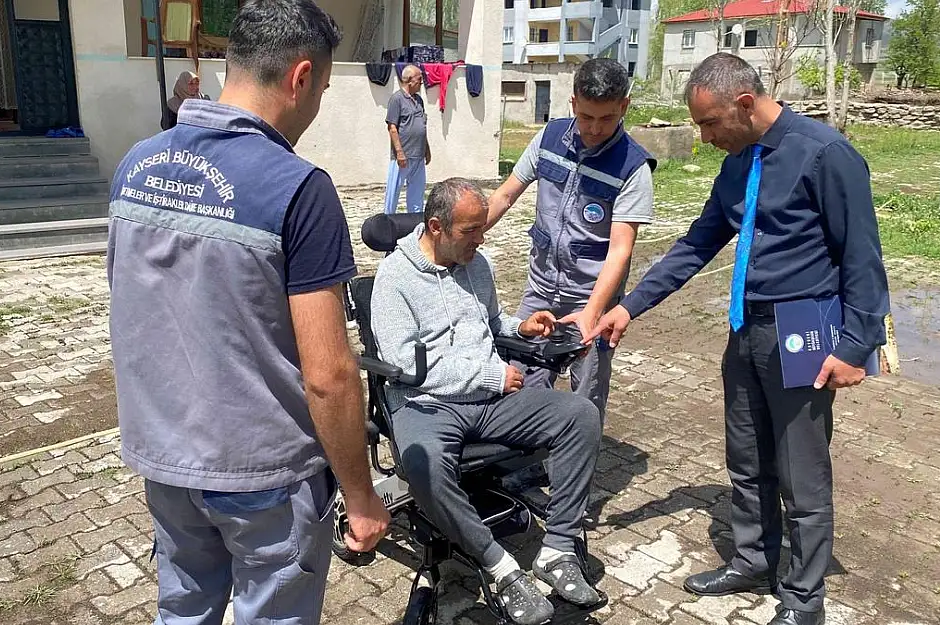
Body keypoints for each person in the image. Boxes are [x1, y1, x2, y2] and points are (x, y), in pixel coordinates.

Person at [106, 2, 390, 624]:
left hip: (167, 460)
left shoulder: (137, 166)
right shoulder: (297, 187)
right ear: (301, 76)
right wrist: (362, 497)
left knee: (183, 613)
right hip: (263, 472)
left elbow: (135, 308)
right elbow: (330, 375)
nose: (314, 109)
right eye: (320, 89)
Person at [585, 53, 890, 625]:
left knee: (801, 470)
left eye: (709, 124)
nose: (703, 137)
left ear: (745, 104)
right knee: (746, 455)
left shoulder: (825, 154)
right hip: (745, 328)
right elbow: (698, 243)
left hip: (804, 333)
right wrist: (630, 306)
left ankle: (803, 599)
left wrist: (856, 346)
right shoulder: (737, 163)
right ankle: (753, 558)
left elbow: (862, 258)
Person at [371, 178, 603, 625]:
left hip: (487, 399)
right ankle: (500, 567)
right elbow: (406, 365)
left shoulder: (478, 264)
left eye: (482, 228)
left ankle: (556, 550)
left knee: (580, 415)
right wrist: (494, 374)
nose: (481, 238)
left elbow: (490, 323)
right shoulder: (394, 279)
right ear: (436, 227)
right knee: (424, 464)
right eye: (471, 231)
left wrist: (522, 329)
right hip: (426, 403)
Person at [486, 57, 656, 425]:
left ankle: (577, 469)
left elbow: (620, 250)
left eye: (607, 118)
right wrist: (463, 236)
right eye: (587, 117)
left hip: (591, 294)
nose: (595, 129)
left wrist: (594, 312)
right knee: (526, 375)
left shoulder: (633, 168)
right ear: (573, 103)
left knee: (586, 389)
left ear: (623, 107)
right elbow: (504, 196)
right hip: (540, 287)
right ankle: (527, 455)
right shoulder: (548, 138)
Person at [383, 64, 430, 214]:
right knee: (393, 193)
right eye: (419, 79)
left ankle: (415, 223)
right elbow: (392, 128)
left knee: (417, 194)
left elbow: (422, 126)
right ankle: (387, 220)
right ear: (409, 80)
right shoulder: (396, 99)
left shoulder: (419, 100)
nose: (422, 82)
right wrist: (399, 152)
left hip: (418, 155)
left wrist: (427, 149)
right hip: (402, 156)